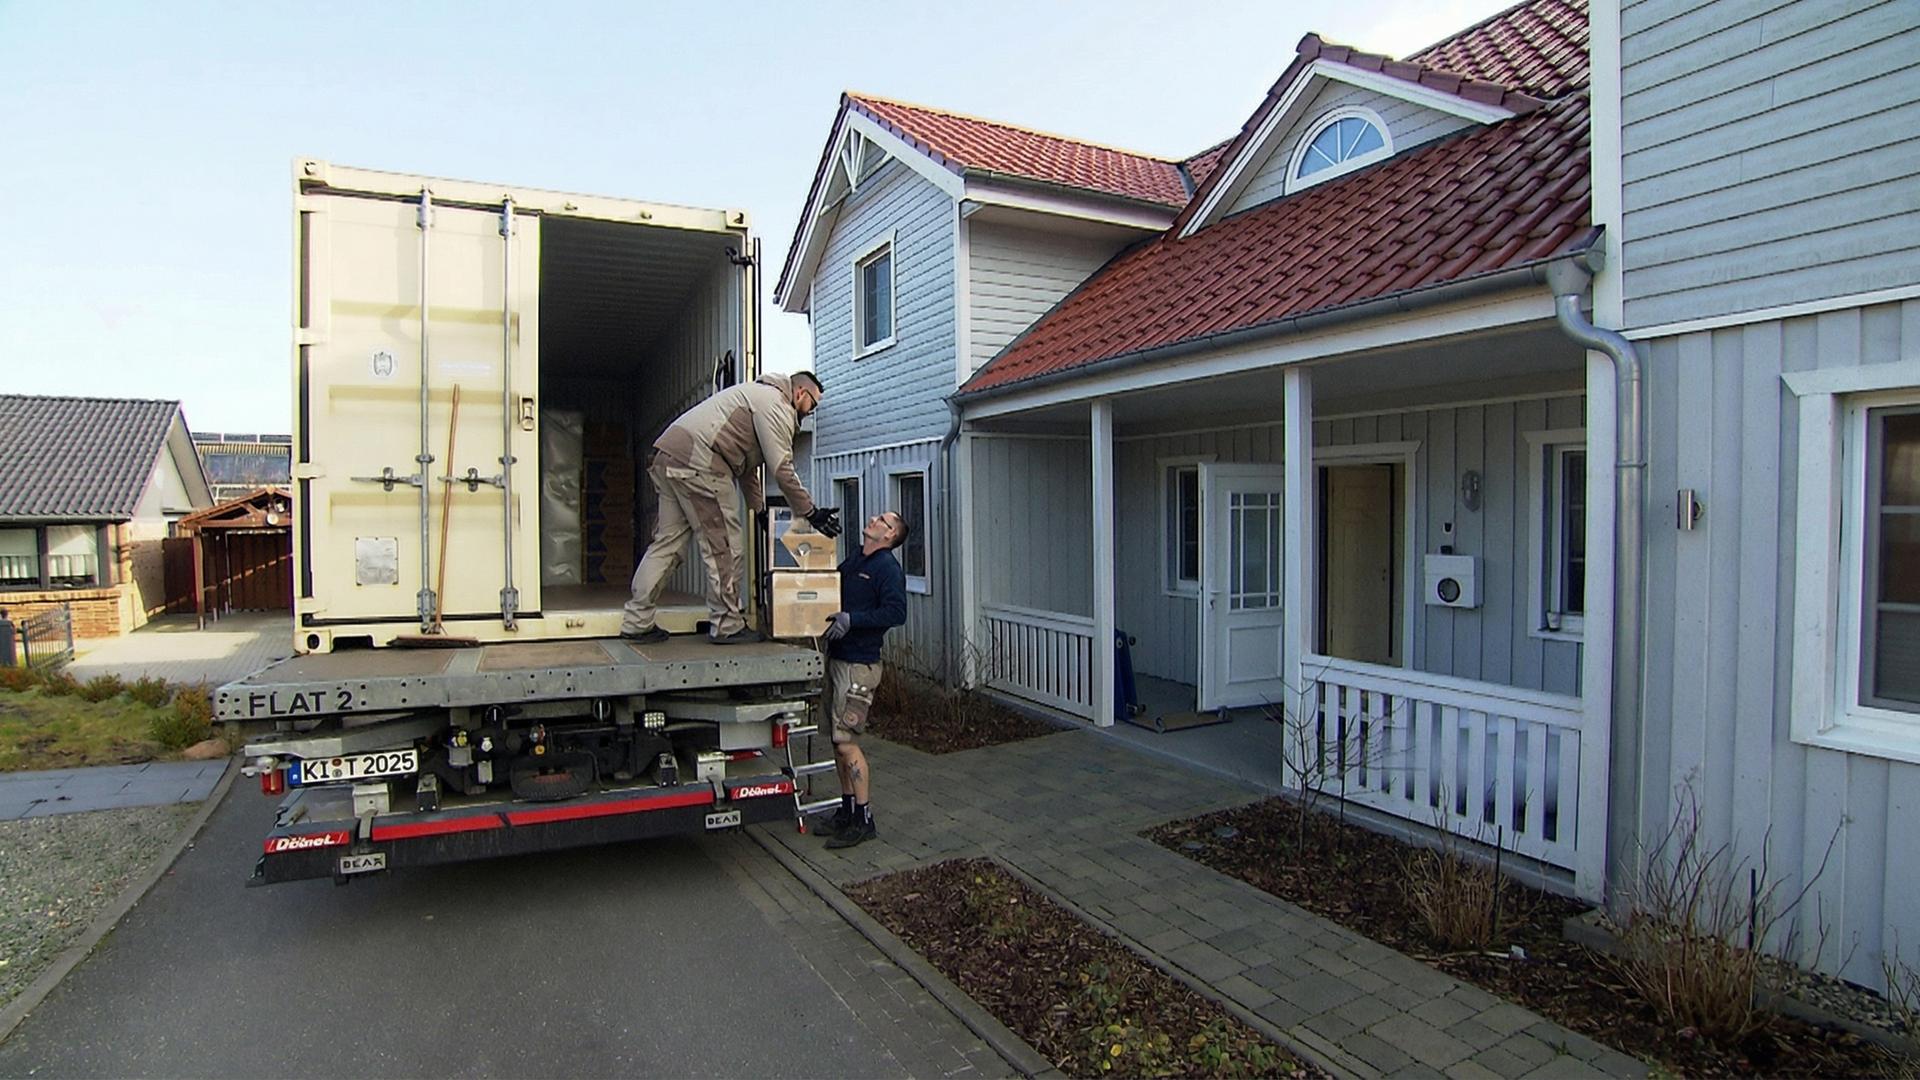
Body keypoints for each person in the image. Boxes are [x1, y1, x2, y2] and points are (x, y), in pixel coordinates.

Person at [621, 371, 839, 645]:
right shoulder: (777, 405)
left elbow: (746, 468)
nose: (812, 411)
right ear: (800, 393)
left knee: (667, 544)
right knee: (725, 548)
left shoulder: (755, 397)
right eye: (813, 404)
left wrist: (759, 510)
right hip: (701, 462)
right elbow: (782, 469)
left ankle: (637, 621)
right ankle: (727, 624)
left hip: (670, 456)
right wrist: (811, 512)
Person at [817, 510, 909, 849]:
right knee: (837, 742)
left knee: (847, 743)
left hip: (859, 667)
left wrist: (852, 620)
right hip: (838, 659)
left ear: (890, 535)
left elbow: (897, 612)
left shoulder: (887, 568)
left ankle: (864, 819)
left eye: (883, 520)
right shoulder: (856, 559)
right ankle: (846, 811)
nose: (873, 519)